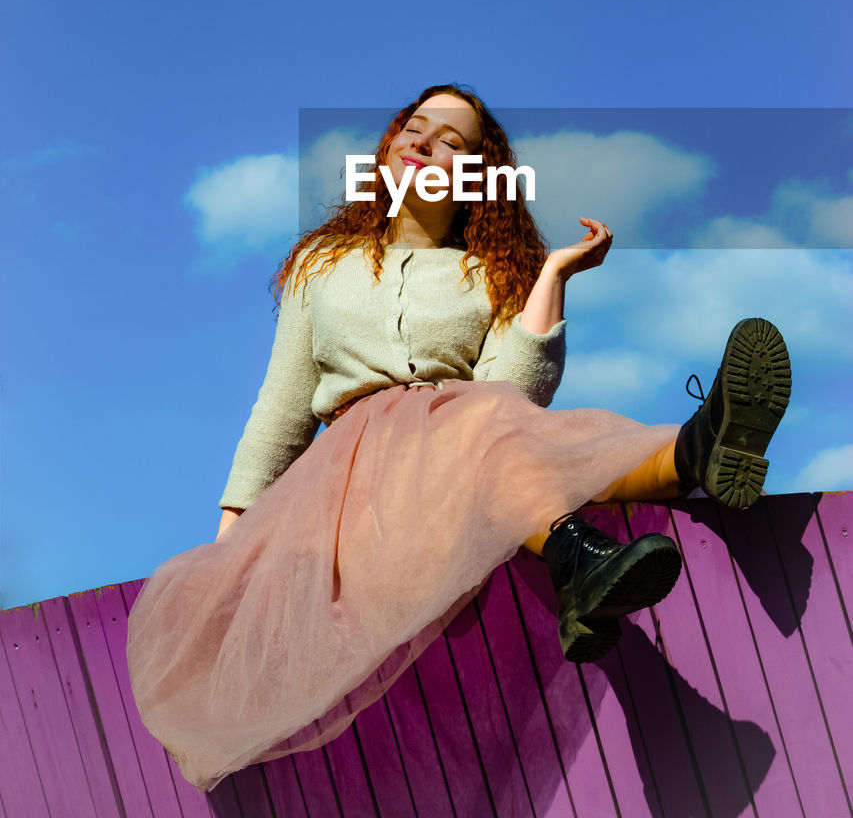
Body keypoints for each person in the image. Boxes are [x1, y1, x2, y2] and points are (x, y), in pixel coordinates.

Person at [126, 84, 792, 793]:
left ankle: (668, 480)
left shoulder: (493, 274)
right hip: (360, 490)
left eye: (451, 141)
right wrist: (229, 551)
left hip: (465, 462)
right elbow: (280, 410)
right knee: (480, 431)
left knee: (492, 426)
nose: (422, 143)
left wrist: (553, 274)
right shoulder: (322, 265)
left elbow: (514, 398)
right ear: (386, 149)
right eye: (413, 129)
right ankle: (658, 481)